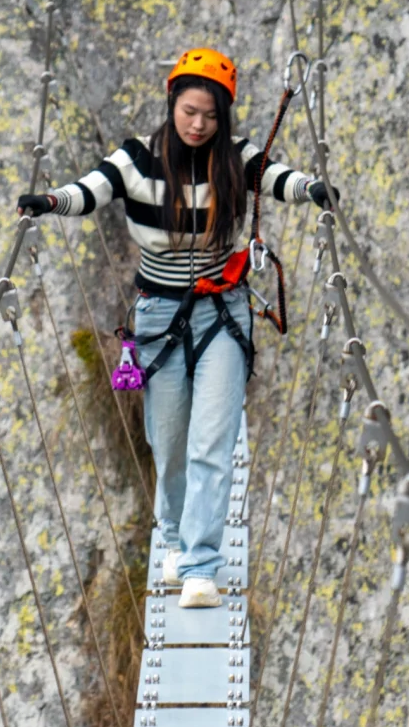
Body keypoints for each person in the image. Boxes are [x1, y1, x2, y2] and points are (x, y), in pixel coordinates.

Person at [17, 46, 337, 608]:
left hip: (223, 314)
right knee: (168, 442)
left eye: (211, 116)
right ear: (172, 104)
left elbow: (273, 174)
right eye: (190, 111)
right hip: (159, 318)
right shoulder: (137, 158)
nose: (198, 124)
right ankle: (173, 532)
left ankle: (199, 567)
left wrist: (311, 189)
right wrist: (48, 202)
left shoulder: (233, 157)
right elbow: (90, 189)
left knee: (213, 438)